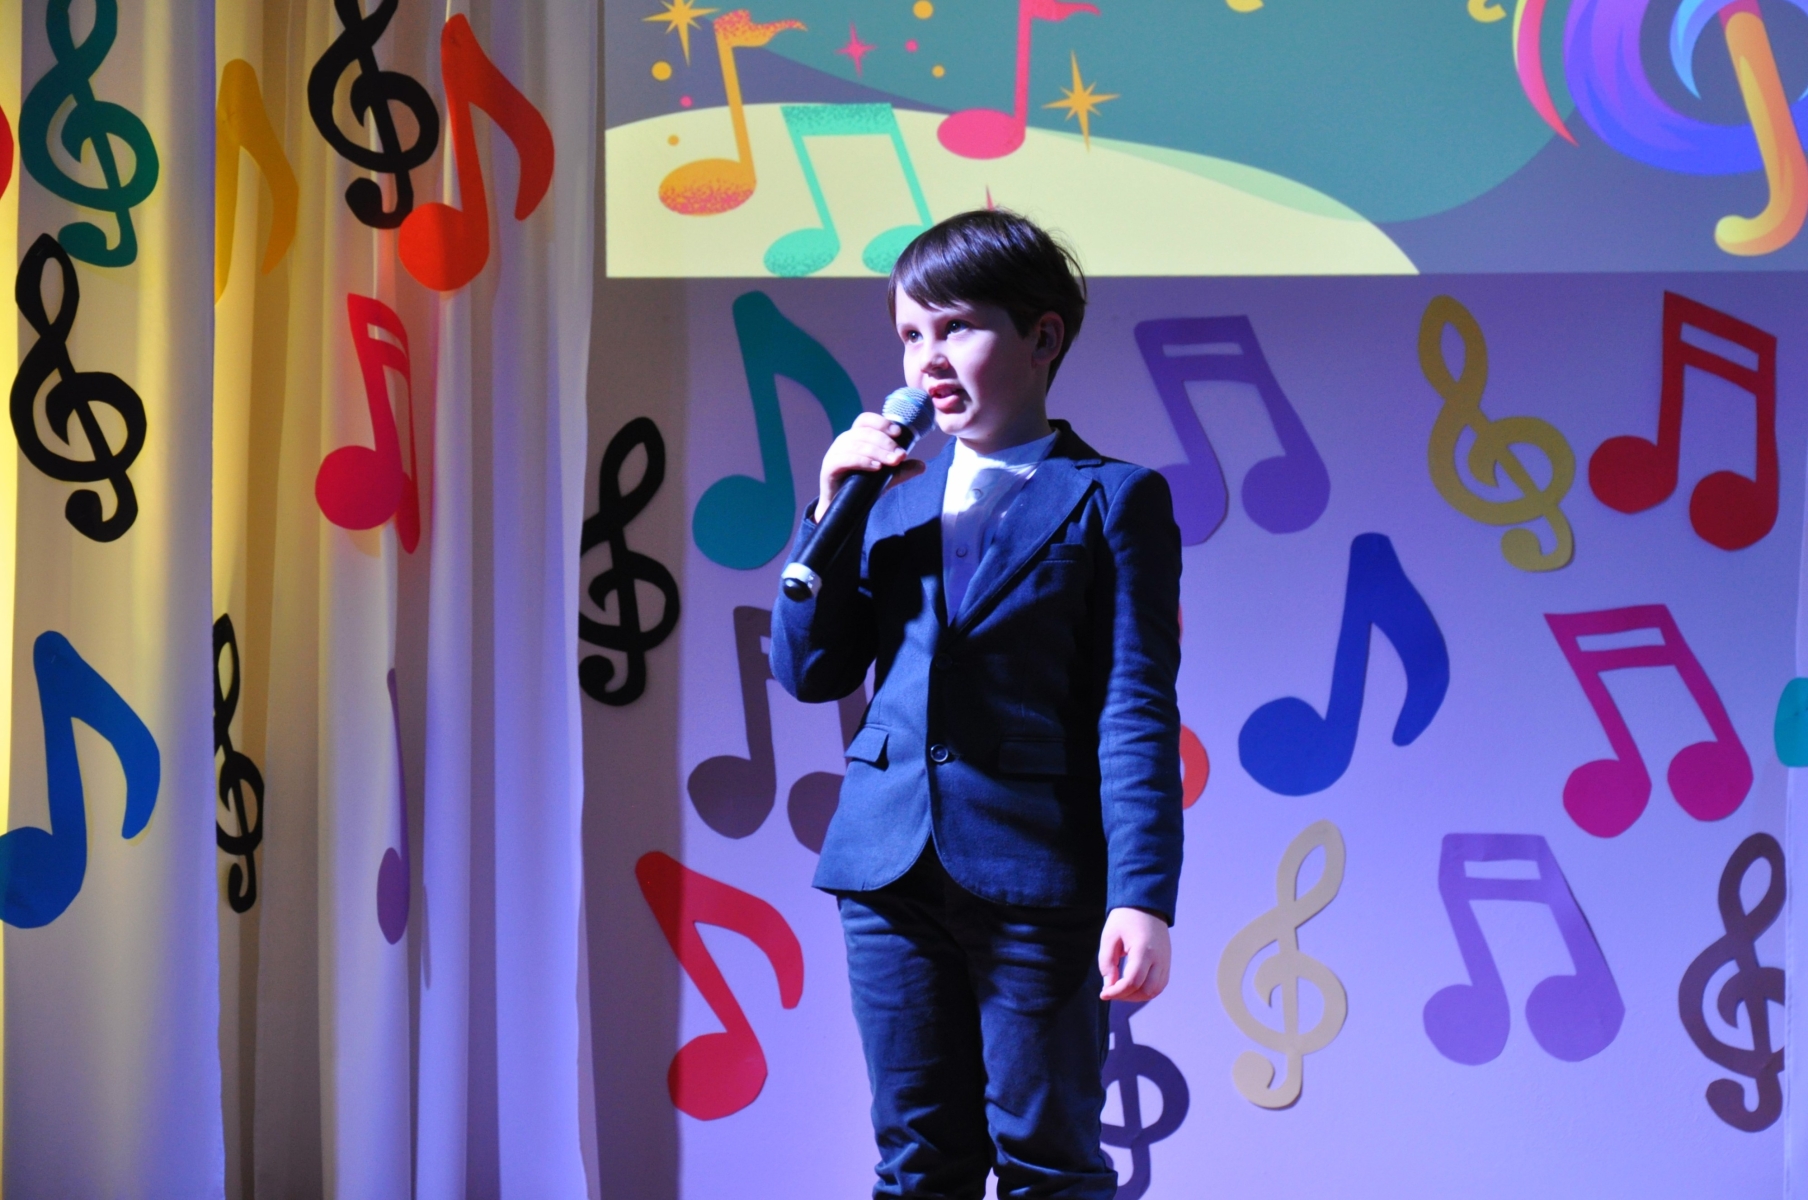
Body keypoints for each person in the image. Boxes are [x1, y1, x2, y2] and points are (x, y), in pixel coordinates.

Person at [770, 209, 1183, 1200]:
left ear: (1042, 337)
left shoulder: (1112, 497)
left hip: (1034, 869)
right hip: (887, 867)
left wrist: (1141, 896)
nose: (927, 360)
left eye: (955, 328)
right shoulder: (887, 497)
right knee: (918, 1162)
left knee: (1049, 1158)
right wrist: (826, 509)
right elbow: (809, 670)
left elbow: (1134, 706)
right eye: (909, 335)